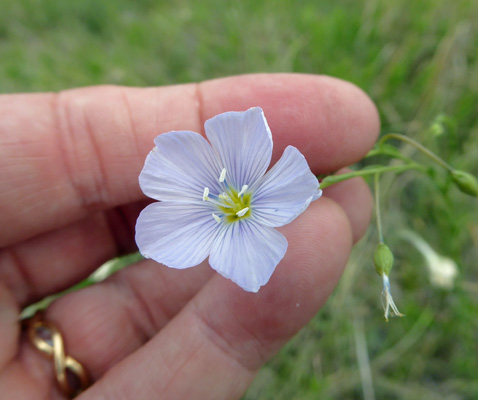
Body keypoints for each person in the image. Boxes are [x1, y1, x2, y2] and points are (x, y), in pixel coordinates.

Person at [0, 73, 379, 399]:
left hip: (260, 202)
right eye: (233, 203)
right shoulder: (204, 212)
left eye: (235, 203)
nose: (233, 203)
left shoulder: (280, 176)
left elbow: (294, 184)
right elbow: (167, 232)